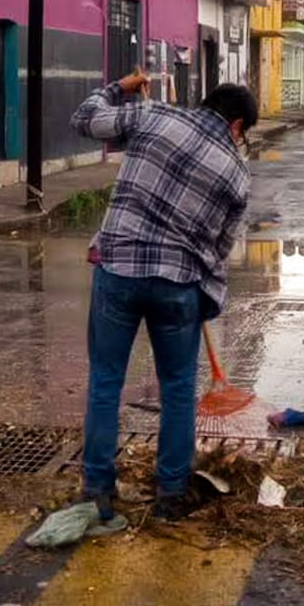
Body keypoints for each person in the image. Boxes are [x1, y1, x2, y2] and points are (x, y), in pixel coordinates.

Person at [70, 70, 254, 530]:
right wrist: (204, 300)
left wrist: (120, 87)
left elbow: (85, 119)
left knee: (106, 381)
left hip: (118, 272)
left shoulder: (153, 116)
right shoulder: (236, 173)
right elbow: (219, 251)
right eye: (244, 134)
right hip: (178, 286)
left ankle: (97, 491)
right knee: (177, 391)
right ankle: (170, 495)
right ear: (236, 125)